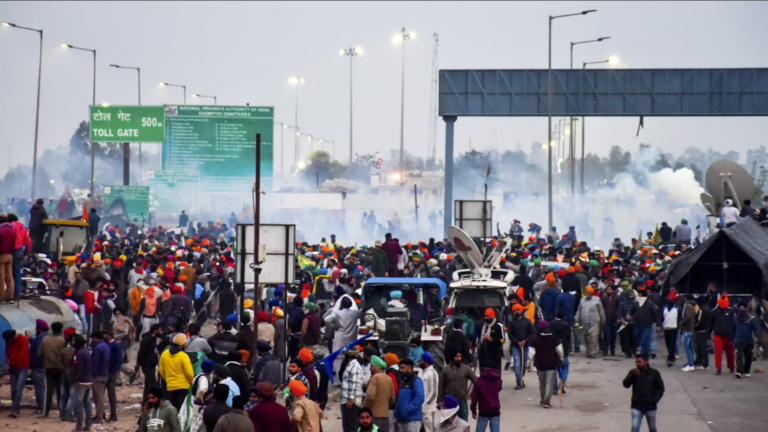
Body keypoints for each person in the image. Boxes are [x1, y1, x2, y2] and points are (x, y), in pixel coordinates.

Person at [622, 355, 665, 432]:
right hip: (637, 405)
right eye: (636, 362)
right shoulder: (633, 372)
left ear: (645, 362)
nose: (638, 364)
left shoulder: (654, 373)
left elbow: (660, 388)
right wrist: (632, 375)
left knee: (652, 428)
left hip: (650, 406)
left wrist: (655, 400)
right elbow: (626, 384)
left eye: (640, 362)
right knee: (635, 427)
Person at [527, 321, 563, 409]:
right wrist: (561, 359)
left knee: (542, 382)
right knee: (549, 382)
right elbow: (560, 351)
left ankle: (543, 399)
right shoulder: (554, 338)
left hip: (540, 364)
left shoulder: (535, 339)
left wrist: (528, 364)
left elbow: (531, 353)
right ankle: (547, 401)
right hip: (551, 363)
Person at [159, 333, 195, 410]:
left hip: (170, 386)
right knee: (181, 410)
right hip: (183, 387)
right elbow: (189, 373)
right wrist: (190, 382)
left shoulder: (165, 354)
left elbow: (161, 370)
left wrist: (168, 379)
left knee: (172, 409)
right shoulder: (183, 356)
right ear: (182, 344)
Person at [438, 351, 475, 422]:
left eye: (460, 356)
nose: (459, 358)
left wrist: (472, 394)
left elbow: (476, 381)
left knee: (463, 422)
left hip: (462, 401)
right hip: (449, 401)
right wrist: (439, 400)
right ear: (452, 357)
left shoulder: (466, 369)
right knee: (448, 422)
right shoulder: (446, 370)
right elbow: (441, 386)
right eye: (457, 356)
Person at [363, 355, 396, 432]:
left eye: (371, 366)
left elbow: (370, 396)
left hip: (374, 415)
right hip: (385, 416)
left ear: (376, 367)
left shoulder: (375, 378)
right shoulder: (389, 378)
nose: (369, 368)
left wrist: (363, 407)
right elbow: (393, 399)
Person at [40, 321, 66, 418]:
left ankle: (45, 412)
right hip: (60, 368)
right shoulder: (63, 340)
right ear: (61, 329)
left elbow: (40, 353)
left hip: (48, 367)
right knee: (60, 390)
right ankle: (61, 411)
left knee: (48, 390)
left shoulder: (45, 339)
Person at [507, 304, 534, 389]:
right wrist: (517, 342)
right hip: (515, 346)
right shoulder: (511, 323)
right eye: (514, 310)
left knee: (524, 363)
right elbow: (510, 334)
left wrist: (525, 341)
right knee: (517, 363)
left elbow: (532, 332)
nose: (516, 312)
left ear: (521, 310)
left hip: (525, 346)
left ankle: (521, 378)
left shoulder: (527, 321)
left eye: (518, 310)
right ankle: (519, 382)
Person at [3, 330, 29, 418]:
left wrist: (11, 364)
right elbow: (7, 352)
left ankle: (15, 410)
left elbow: (22, 355)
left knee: (18, 389)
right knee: (13, 389)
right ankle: (15, 408)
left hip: (22, 367)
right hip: (13, 367)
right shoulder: (8, 341)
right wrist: (8, 360)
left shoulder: (23, 340)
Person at [394, 358, 424, 432]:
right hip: (401, 420)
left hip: (412, 420)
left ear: (409, 367)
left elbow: (420, 397)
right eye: (400, 368)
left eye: (403, 368)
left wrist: (408, 410)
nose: (400, 370)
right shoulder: (402, 383)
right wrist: (397, 412)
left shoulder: (416, 381)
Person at [575, 286, 605, 359]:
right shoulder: (582, 300)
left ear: (591, 293)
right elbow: (579, 310)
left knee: (593, 337)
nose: (585, 293)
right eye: (585, 292)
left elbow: (601, 311)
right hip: (584, 322)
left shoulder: (597, 300)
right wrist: (576, 319)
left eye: (587, 292)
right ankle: (588, 351)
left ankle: (593, 352)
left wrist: (603, 320)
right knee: (586, 337)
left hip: (594, 321)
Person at [71, 334, 93, 432]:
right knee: (87, 404)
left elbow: (79, 368)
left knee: (79, 404)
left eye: (74, 341)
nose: (72, 343)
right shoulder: (86, 351)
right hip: (88, 380)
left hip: (81, 382)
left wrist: (74, 378)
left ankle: (79, 426)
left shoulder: (79, 353)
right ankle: (88, 425)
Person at [470, 362, 501, 432]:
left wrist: (473, 409)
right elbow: (499, 388)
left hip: (483, 410)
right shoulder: (498, 380)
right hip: (495, 409)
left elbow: (474, 398)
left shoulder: (479, 381)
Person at [137, 323, 163, 405]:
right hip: (147, 364)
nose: (161, 332)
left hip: (150, 365)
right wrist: (138, 363)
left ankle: (146, 401)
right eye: (160, 330)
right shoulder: (147, 339)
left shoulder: (152, 339)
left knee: (148, 384)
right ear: (155, 330)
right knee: (153, 384)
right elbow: (141, 352)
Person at [710, 294, 735, 375]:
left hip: (728, 335)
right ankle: (718, 368)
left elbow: (734, 323)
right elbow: (711, 324)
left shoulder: (731, 311)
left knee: (730, 352)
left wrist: (733, 334)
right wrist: (708, 333)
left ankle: (731, 366)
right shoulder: (714, 312)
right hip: (718, 335)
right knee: (718, 351)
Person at [733, 302, 760, 378]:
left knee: (748, 356)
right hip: (738, 340)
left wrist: (756, 336)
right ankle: (739, 371)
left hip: (749, 341)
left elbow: (755, 328)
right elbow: (733, 329)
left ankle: (746, 370)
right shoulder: (735, 319)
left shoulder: (751, 319)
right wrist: (732, 339)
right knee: (739, 356)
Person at [340, 348, 364, 432]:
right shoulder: (350, 365)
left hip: (351, 402)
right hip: (346, 400)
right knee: (347, 426)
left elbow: (354, 383)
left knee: (352, 426)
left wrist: (351, 399)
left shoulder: (355, 367)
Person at [631, 289, 658, 359]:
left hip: (647, 326)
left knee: (644, 341)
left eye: (641, 296)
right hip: (638, 325)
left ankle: (645, 357)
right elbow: (632, 311)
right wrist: (629, 315)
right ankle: (645, 352)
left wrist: (658, 324)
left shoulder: (650, 304)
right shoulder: (636, 304)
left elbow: (656, 314)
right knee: (640, 341)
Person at [549, 310, 572, 392]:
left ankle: (554, 388)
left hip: (552, 348)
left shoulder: (551, 324)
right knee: (565, 367)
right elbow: (569, 337)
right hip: (564, 348)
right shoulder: (566, 325)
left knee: (554, 368)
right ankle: (562, 383)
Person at [91, 331, 111, 424]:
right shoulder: (106, 346)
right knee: (100, 397)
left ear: (95, 338)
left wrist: (92, 374)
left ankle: (99, 418)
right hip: (105, 374)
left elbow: (94, 363)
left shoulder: (97, 347)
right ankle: (100, 415)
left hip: (98, 375)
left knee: (98, 398)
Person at [103, 330, 124, 422]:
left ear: (109, 335)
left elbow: (119, 360)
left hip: (111, 373)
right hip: (104, 372)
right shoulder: (105, 344)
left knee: (111, 394)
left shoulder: (115, 345)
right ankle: (101, 414)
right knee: (100, 395)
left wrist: (113, 371)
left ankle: (113, 415)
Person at [477, 309, 504, 373]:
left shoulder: (499, 326)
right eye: (485, 316)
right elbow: (478, 336)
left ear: (492, 317)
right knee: (484, 370)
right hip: (483, 352)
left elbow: (503, 340)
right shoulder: (482, 325)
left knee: (495, 371)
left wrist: (492, 340)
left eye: (488, 316)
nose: (486, 318)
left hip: (495, 353)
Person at [419, 352, 439, 432]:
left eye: (421, 360)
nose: (419, 362)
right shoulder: (422, 372)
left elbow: (433, 393)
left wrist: (424, 405)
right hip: (421, 410)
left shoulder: (432, 373)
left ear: (426, 362)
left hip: (428, 410)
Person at [600, 284, 621, 356]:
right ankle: (605, 350)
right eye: (608, 289)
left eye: (610, 289)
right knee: (606, 334)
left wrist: (618, 317)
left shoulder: (617, 298)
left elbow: (619, 308)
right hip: (606, 318)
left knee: (613, 335)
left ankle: (612, 350)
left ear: (613, 290)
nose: (608, 291)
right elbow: (602, 307)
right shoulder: (604, 297)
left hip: (614, 318)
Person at [679, 295, 697, 372]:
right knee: (690, 346)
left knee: (686, 346)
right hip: (690, 329)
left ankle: (690, 364)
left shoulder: (688, 306)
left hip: (687, 329)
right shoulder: (689, 306)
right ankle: (691, 362)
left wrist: (681, 323)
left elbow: (688, 317)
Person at [693, 296, 711, 370]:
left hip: (701, 330)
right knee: (702, 347)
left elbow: (699, 321)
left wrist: (695, 327)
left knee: (701, 347)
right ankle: (700, 361)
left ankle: (704, 363)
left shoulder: (702, 309)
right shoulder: (708, 308)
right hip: (705, 329)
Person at [0, 213, 15, 302]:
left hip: (1, 255)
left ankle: (1, 296)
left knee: (1, 277)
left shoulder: (1, 230)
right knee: (9, 277)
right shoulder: (12, 229)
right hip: (10, 255)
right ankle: (10, 295)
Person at [662, 294, 679, 367]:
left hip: (674, 328)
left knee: (672, 343)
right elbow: (662, 317)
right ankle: (672, 356)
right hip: (666, 328)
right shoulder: (664, 308)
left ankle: (669, 359)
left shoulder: (677, 308)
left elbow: (680, 317)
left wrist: (678, 326)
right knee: (668, 343)